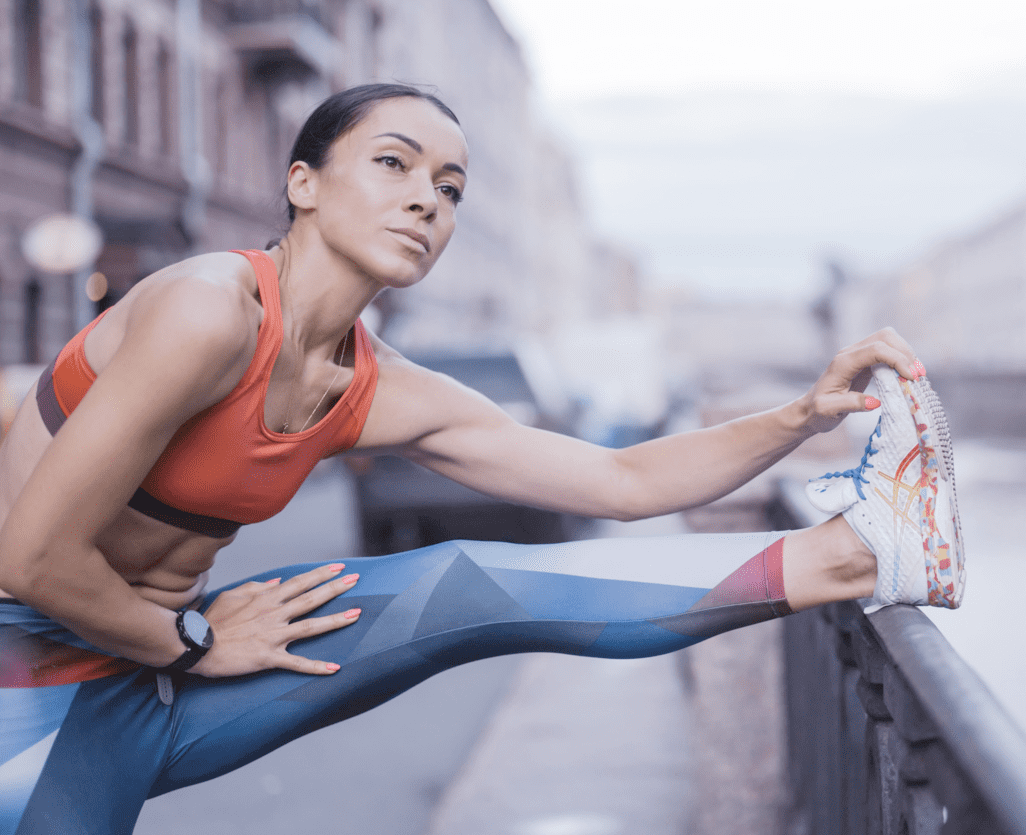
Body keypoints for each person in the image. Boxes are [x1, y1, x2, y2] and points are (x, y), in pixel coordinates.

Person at [0, 83, 963, 835]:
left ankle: (858, 552)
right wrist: (198, 645)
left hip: (157, 673)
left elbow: (621, 481)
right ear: (303, 183)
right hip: (32, 695)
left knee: (463, 586)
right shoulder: (208, 306)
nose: (427, 197)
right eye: (394, 163)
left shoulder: (376, 384)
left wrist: (796, 416)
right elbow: (32, 558)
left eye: (451, 189)